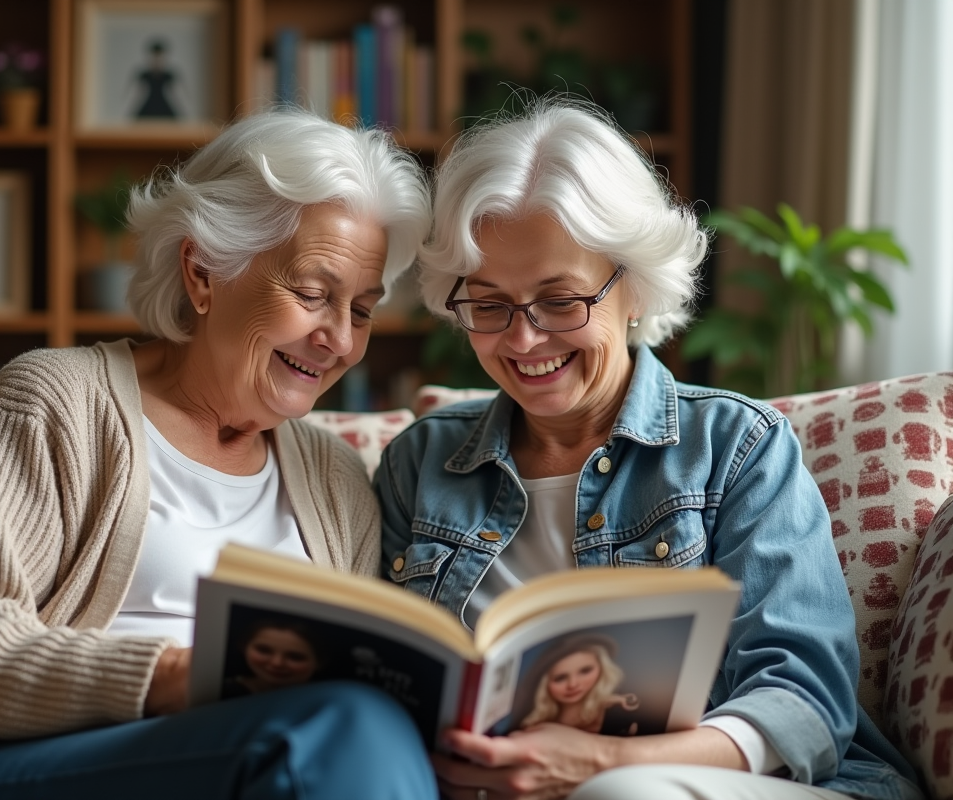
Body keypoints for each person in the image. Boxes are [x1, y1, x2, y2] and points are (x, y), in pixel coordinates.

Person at [0, 109, 435, 800]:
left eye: (363, 310)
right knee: (344, 727)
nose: (340, 339)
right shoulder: (57, 401)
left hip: (230, 772)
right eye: (314, 295)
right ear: (203, 273)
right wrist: (178, 676)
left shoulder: (337, 478)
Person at [374, 100, 924, 800]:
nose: (522, 340)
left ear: (632, 286)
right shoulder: (419, 463)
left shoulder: (735, 447)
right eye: (489, 305)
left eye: (561, 300)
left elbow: (805, 704)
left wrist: (595, 766)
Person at [518, 634, 638, 734]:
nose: (573, 684)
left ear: (602, 669)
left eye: (585, 671)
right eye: (560, 678)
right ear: (544, 685)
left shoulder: (619, 712)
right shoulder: (533, 726)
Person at [223, 618, 324, 697]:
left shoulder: (330, 700)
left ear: (320, 661)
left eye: (295, 657)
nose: (277, 663)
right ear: (243, 647)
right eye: (264, 650)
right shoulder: (218, 691)